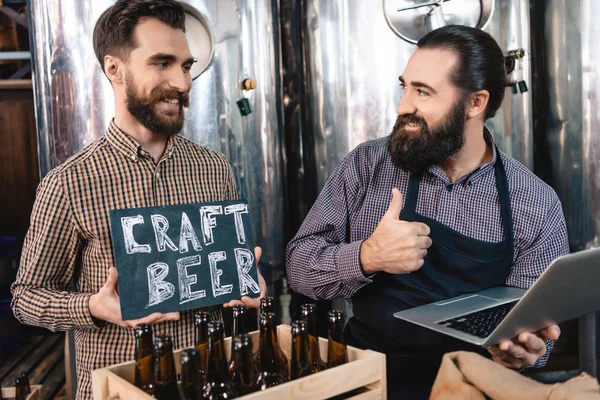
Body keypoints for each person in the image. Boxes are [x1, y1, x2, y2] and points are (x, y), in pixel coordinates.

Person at [286, 25, 568, 398]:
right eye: (404, 86)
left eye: (423, 92)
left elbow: (534, 329)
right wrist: (367, 256)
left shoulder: (534, 201)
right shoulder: (367, 166)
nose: (404, 106)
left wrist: (524, 351)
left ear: (475, 103)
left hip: (472, 387)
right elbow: (299, 270)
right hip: (370, 382)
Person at [11, 1, 266, 398]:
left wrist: (241, 278)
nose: (183, 83)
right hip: (120, 389)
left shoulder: (215, 168)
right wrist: (94, 307)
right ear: (114, 69)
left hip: (208, 384)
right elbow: (27, 298)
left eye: (185, 65)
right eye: (162, 63)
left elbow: (225, 279)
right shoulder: (70, 182)